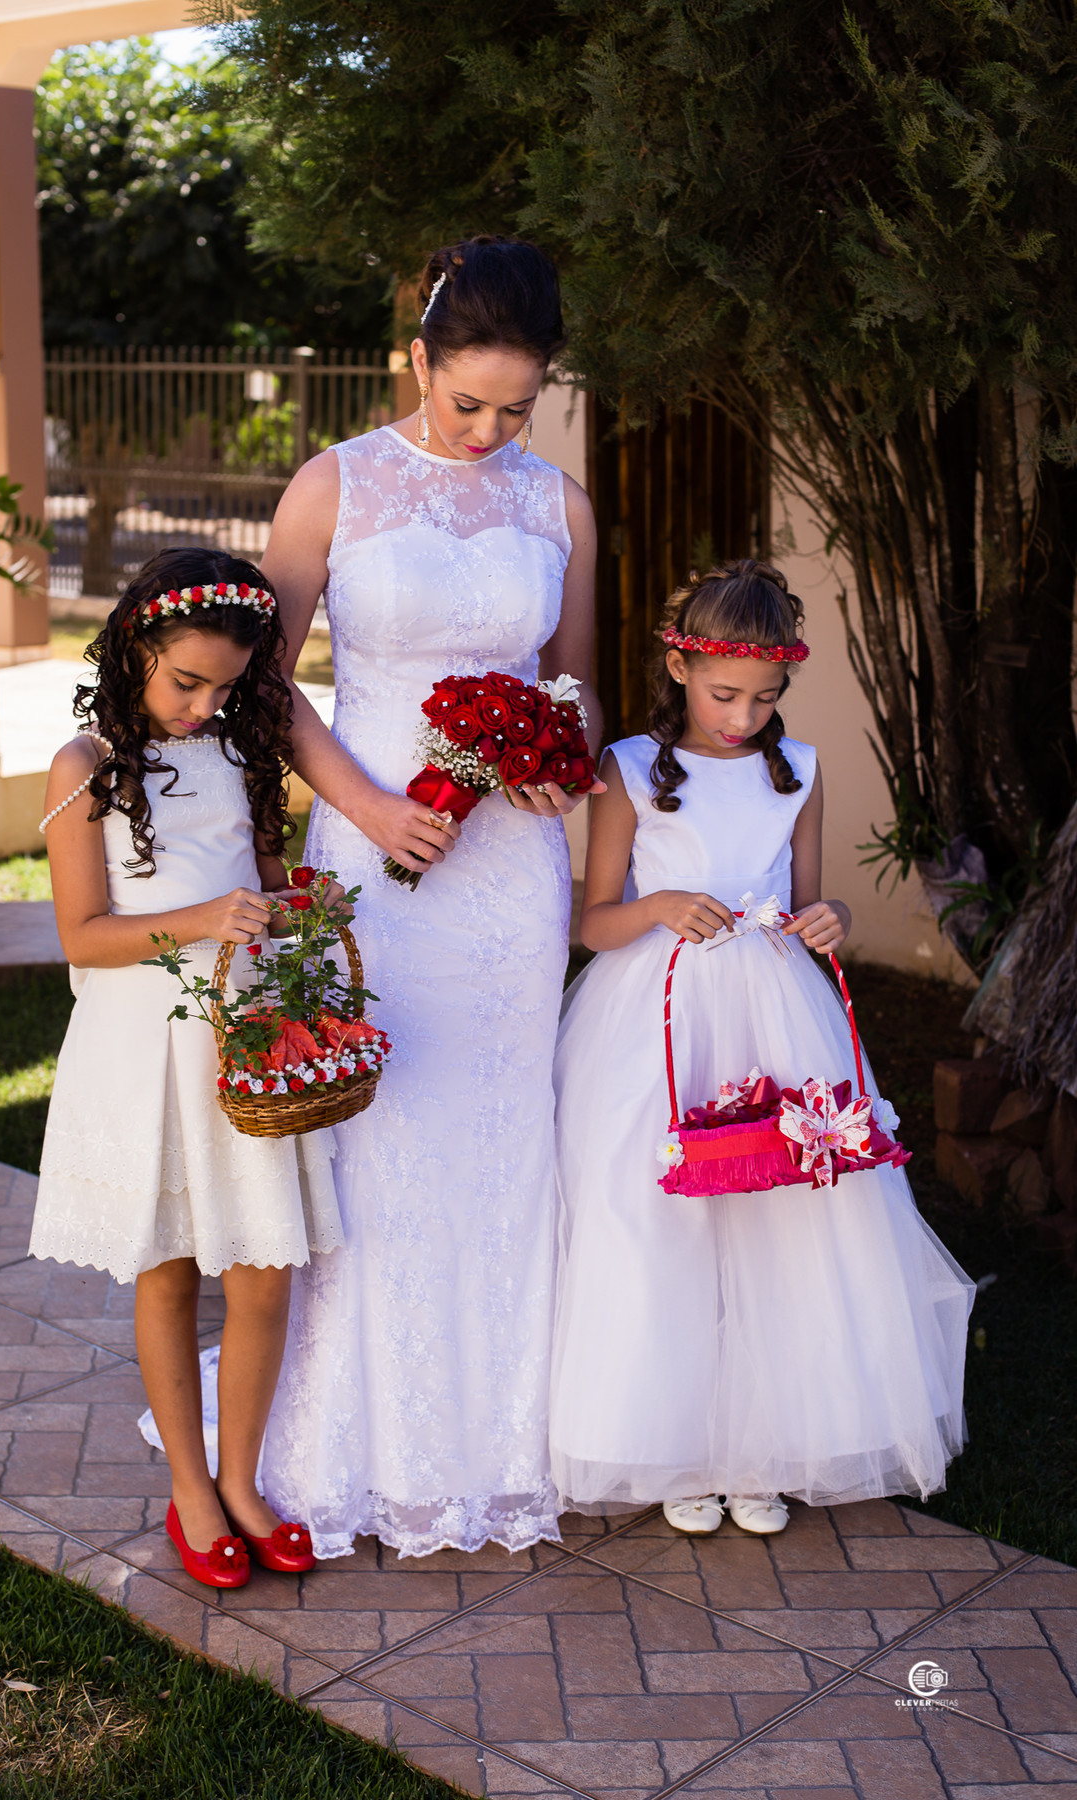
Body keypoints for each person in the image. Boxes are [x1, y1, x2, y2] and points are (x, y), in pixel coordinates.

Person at [248, 235, 602, 1559]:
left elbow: (571, 686)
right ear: (418, 362)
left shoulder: (554, 502)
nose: (489, 432)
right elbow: (266, 684)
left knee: (504, 1141)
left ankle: (500, 1447)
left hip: (509, 873)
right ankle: (357, 1441)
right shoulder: (331, 487)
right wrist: (362, 806)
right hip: (373, 860)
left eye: (517, 409)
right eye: (467, 404)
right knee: (377, 1144)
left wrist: (560, 770)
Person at [549, 560, 973, 1536]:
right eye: (721, 694)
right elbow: (592, 922)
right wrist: (655, 907)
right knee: (655, 1221)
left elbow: (813, 896)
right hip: (654, 1021)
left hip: (775, 1021)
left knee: (778, 1221)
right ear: (678, 666)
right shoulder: (625, 768)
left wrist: (826, 919)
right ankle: (676, 1447)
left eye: (763, 698)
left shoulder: (801, 772)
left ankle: (762, 1446)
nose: (740, 717)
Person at [31, 548, 342, 1589]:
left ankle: (244, 1479)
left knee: (262, 1272)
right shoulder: (84, 767)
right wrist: (202, 920)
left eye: (226, 686)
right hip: (142, 1045)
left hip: (240, 1039)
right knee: (167, 1269)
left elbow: (259, 881)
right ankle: (191, 1492)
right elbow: (85, 934)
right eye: (186, 682)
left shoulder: (244, 756)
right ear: (134, 647)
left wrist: (295, 906)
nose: (205, 705)